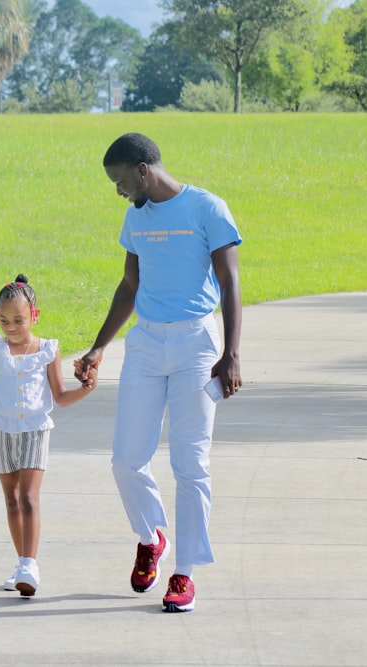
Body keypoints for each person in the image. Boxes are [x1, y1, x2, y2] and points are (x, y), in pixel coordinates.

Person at [74, 133, 242, 613]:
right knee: (126, 459)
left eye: (121, 180)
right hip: (146, 345)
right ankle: (152, 536)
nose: (120, 191)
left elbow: (230, 285)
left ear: (142, 170)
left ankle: (184, 573)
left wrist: (231, 353)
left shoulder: (207, 209)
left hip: (195, 344)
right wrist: (99, 347)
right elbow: (130, 285)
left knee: (190, 465)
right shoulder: (135, 218)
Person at [0, 274, 97, 597]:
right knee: (11, 501)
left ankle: (30, 564)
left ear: (34, 316)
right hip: (2, 430)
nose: (11, 327)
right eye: (4, 320)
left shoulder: (47, 350)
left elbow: (61, 396)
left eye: (19, 320)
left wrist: (86, 389)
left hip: (35, 431)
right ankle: (21, 563)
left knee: (28, 497)